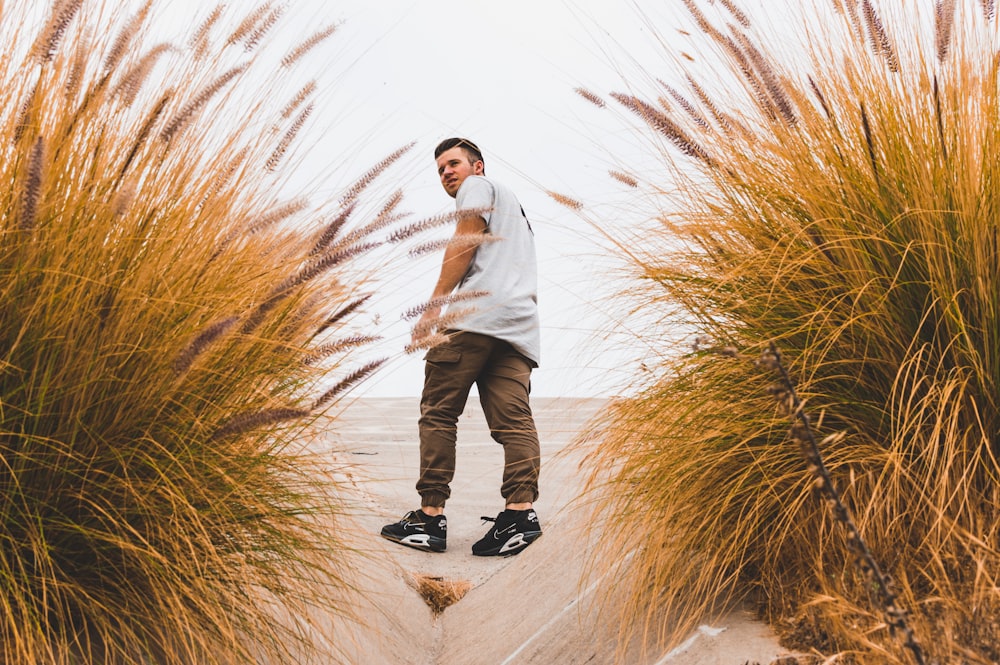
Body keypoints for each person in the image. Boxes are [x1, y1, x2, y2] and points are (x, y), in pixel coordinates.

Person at [380, 138, 542, 557]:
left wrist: (433, 309)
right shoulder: (518, 213)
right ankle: (519, 517)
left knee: (438, 413)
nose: (447, 173)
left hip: (473, 320)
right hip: (518, 329)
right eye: (440, 170)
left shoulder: (479, 187)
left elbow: (465, 239)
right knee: (514, 422)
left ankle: (429, 518)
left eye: (453, 164)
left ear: (478, 166)